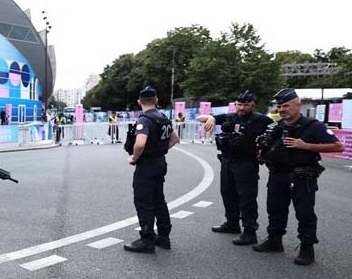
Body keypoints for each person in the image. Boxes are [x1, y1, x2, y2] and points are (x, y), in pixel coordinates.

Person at [253, 88, 343, 265]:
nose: (282, 109)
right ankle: (274, 240)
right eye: (279, 106)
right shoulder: (276, 126)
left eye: (286, 105)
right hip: (277, 174)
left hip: (302, 176)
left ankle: (307, 249)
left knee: (304, 213)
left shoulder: (313, 126)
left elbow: (337, 146)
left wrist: (305, 145)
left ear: (298, 105)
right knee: (275, 209)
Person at [196, 91, 272, 245]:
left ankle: (250, 231)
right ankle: (232, 223)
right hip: (228, 161)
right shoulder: (231, 117)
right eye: (239, 104)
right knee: (227, 193)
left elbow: (277, 133)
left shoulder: (261, 120)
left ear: (253, 105)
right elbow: (200, 118)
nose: (242, 108)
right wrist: (211, 117)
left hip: (247, 163)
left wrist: (265, 152)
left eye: (246, 105)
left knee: (246, 198)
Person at [123, 86, 180, 253]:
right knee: (158, 200)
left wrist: (134, 158)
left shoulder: (145, 120)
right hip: (160, 162)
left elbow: (140, 143)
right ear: (156, 100)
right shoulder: (163, 118)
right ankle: (163, 237)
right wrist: (160, 151)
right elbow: (175, 138)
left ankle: (147, 239)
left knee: (143, 201)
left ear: (139, 102)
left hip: (147, 165)